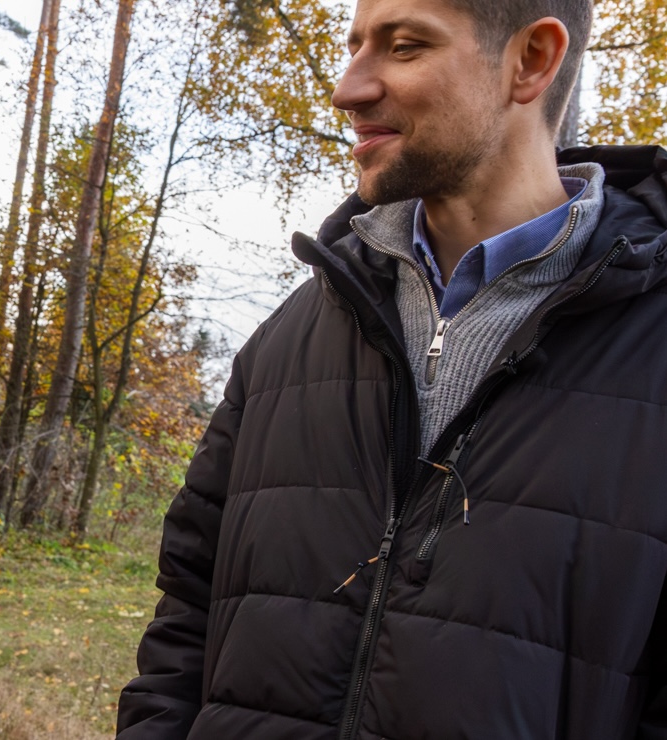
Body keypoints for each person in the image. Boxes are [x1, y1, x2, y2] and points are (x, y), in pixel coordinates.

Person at [118, 0, 667, 737]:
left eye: (404, 47)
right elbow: (188, 614)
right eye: (353, 47)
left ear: (531, 60)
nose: (348, 88)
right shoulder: (291, 337)